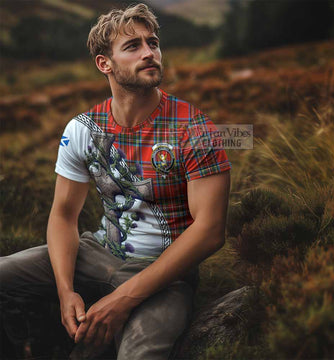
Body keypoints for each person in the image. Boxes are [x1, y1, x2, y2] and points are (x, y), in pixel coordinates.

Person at [0, 3, 231, 359]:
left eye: (152, 43)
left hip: (164, 274)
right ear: (104, 64)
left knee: (139, 354)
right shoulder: (81, 129)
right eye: (133, 46)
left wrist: (121, 300)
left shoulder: (195, 129)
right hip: (97, 252)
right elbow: (63, 216)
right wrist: (65, 292)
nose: (149, 53)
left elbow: (211, 230)